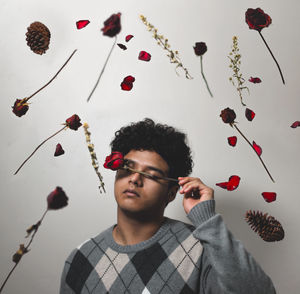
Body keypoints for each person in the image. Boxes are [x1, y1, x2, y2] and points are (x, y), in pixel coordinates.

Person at [60, 118, 276, 294]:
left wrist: (208, 220)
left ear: (172, 193)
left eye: (151, 175)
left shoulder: (201, 250)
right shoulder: (81, 258)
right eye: (127, 168)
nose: (135, 179)